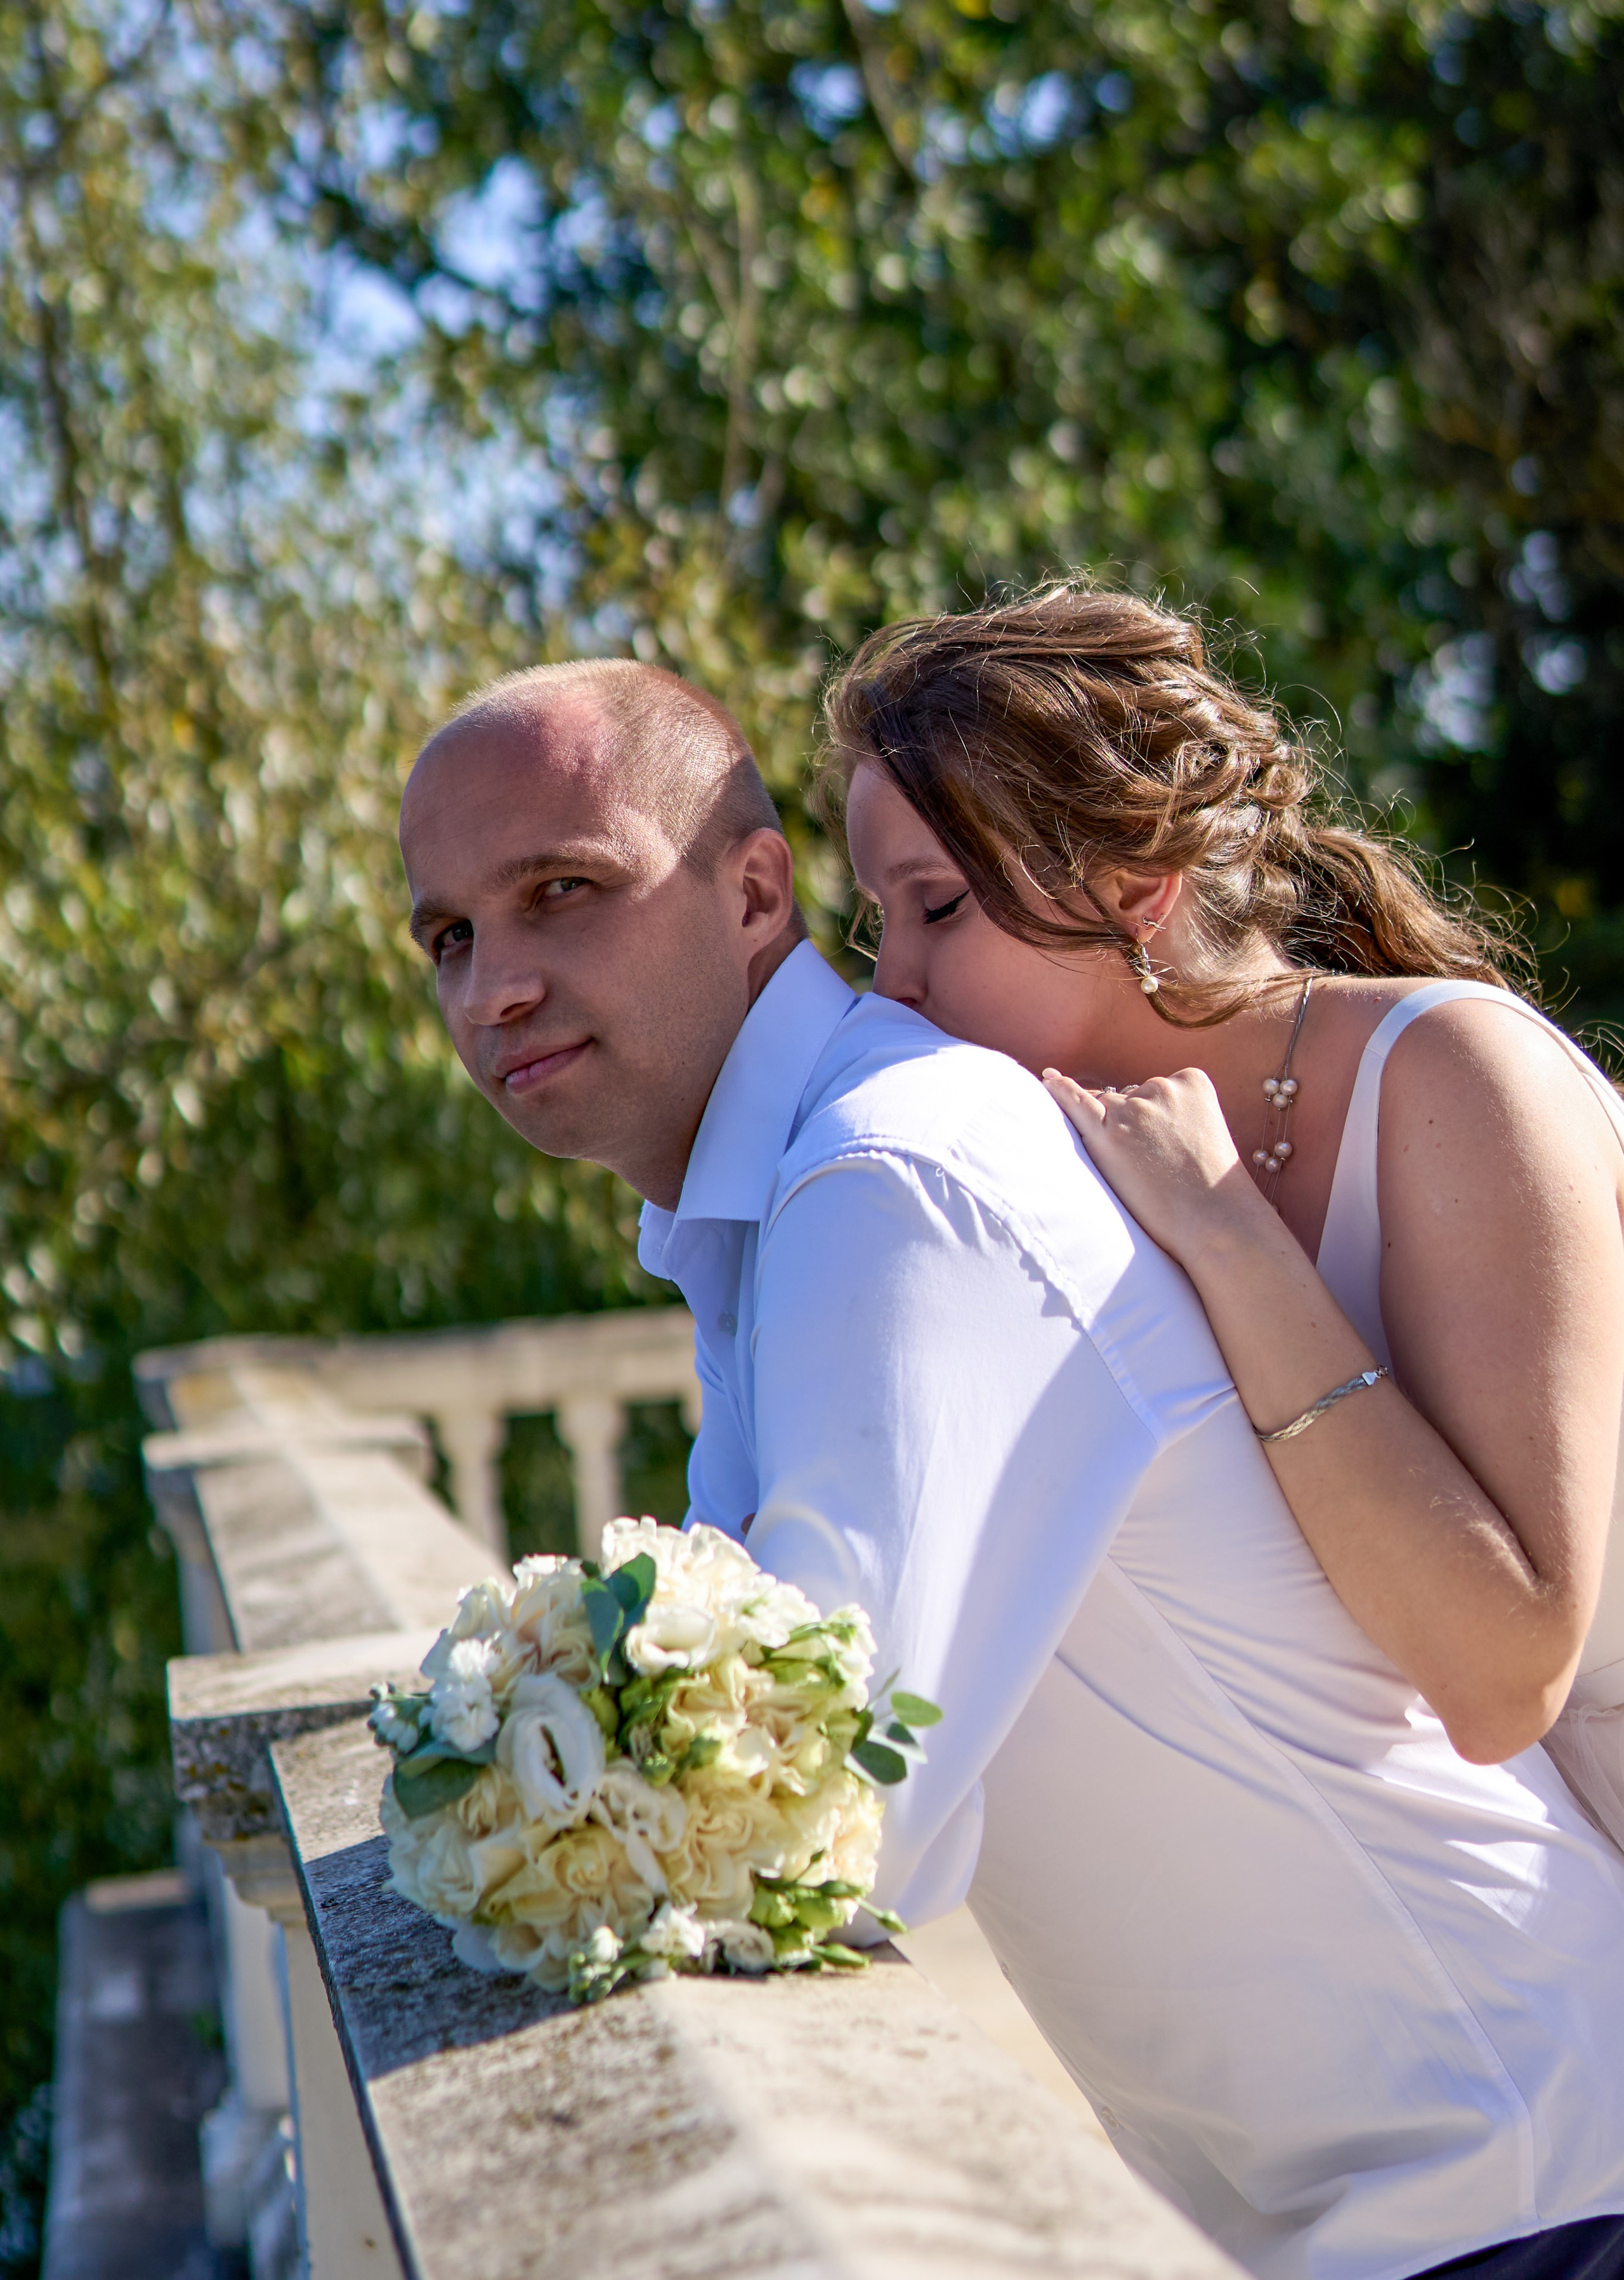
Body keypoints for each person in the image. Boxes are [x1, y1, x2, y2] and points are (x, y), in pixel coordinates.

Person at [398, 652, 1624, 2280]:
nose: (491, 987)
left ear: (749, 892)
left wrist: (502, 1807)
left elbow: (834, 1804)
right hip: (1406, 2177)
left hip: (1513, 2167)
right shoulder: (814, 1187)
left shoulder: (898, 1170)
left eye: (562, 890)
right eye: (447, 936)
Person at [821, 582, 1624, 1851]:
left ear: (1137, 881)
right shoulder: (1071, 1157)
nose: (891, 986)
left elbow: (1503, 1672)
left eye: (937, 906)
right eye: (878, 923)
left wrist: (1230, 1234)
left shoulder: (1461, 1075)